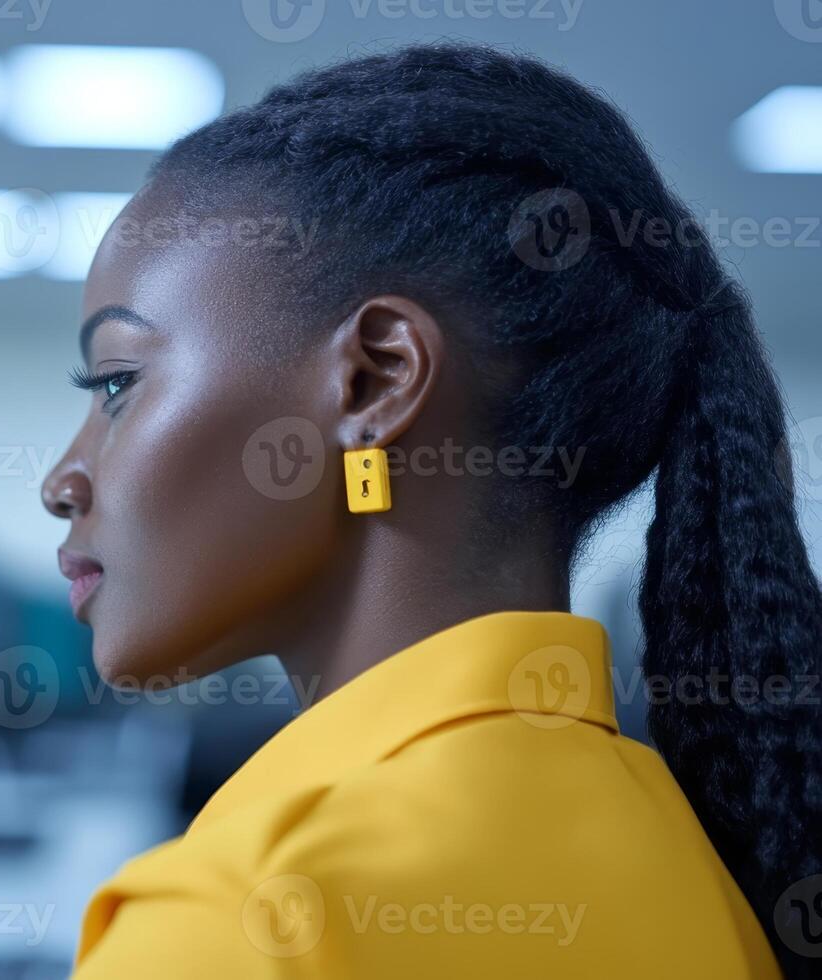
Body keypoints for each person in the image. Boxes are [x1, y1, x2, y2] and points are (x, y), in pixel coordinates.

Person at [41, 43, 821, 978]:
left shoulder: (235, 921)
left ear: (376, 380)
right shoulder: (699, 869)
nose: (62, 480)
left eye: (118, 384)